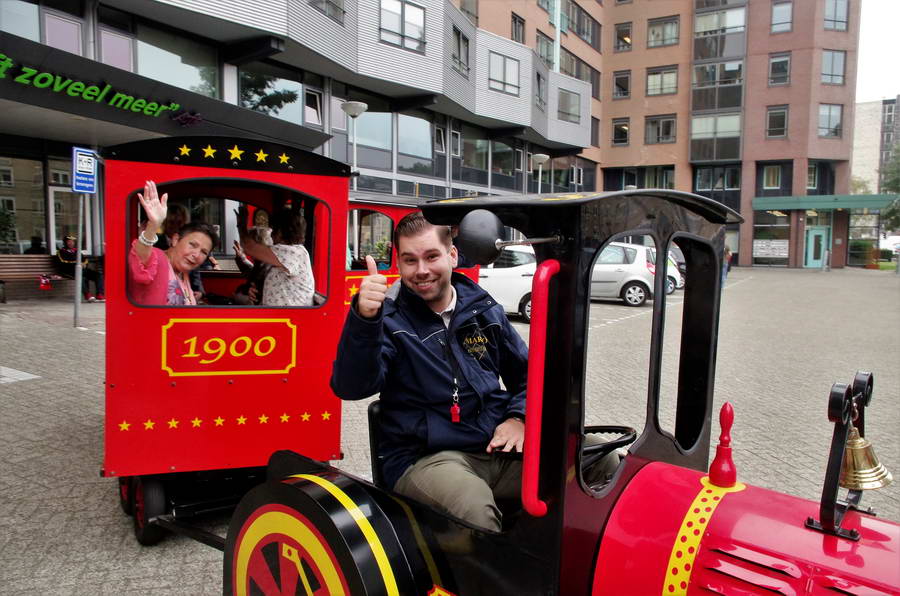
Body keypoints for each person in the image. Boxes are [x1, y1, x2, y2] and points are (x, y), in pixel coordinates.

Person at [331, 211, 529, 532]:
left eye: (431, 256)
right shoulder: (391, 320)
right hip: (425, 458)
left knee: (590, 462)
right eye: (410, 260)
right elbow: (351, 387)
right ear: (398, 264)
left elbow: (529, 376)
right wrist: (365, 317)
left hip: (495, 447)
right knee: (474, 510)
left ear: (452, 255)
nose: (421, 270)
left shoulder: (484, 310)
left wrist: (518, 418)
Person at [128, 180, 218, 306]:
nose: (196, 254)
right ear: (175, 240)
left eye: (204, 252)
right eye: (192, 245)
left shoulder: (183, 272)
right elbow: (142, 256)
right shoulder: (158, 258)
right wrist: (153, 225)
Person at [237, 206, 314, 306]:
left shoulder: (292, 252)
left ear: (281, 232)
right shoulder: (286, 255)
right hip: (279, 315)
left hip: (290, 316)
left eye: (273, 231)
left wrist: (241, 224)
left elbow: (249, 247)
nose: (271, 236)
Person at [55, 235, 104, 301]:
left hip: (81, 270)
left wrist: (84, 264)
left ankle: (100, 294)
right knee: (81, 277)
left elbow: (85, 259)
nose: (71, 243)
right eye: (69, 241)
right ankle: (88, 295)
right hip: (68, 271)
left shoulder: (76, 251)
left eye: (72, 241)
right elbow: (63, 261)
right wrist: (78, 263)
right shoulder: (60, 252)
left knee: (98, 275)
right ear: (65, 242)